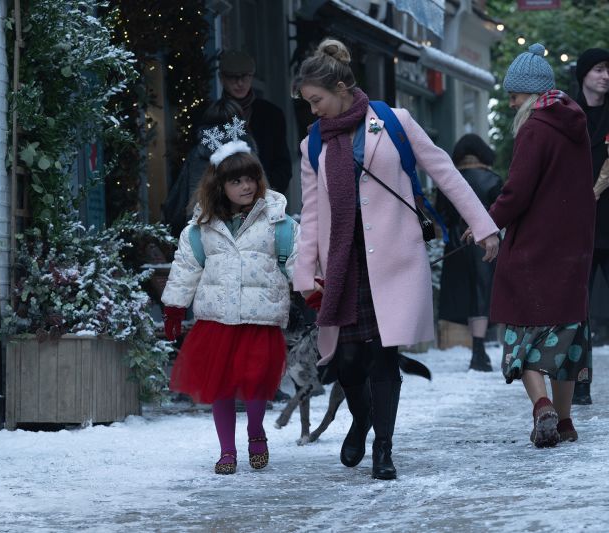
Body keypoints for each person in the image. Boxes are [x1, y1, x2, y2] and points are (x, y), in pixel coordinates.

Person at [293, 39, 499, 480]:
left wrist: (484, 225)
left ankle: (383, 449)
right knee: (346, 362)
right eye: (308, 102)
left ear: (342, 87)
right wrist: (304, 270)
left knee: (384, 358)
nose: (313, 110)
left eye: (317, 100)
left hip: (394, 260)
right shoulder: (313, 144)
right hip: (342, 265)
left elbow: (444, 171)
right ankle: (363, 419)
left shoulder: (393, 122)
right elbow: (311, 213)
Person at [160, 122, 299, 475]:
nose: (246, 186)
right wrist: (175, 307)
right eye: (236, 181)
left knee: (255, 384)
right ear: (219, 186)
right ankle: (226, 450)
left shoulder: (278, 222)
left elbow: (297, 260)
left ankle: (255, 433)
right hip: (217, 319)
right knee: (219, 386)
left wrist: (314, 295)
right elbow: (186, 267)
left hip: (259, 318)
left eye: (251, 178)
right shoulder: (200, 228)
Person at [487, 43, 595, 448]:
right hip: (573, 248)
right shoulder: (575, 123)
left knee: (523, 335)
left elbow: (517, 192)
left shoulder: (535, 126)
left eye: (513, 94)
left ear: (529, 93)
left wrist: (487, 221)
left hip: (534, 248)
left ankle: (542, 406)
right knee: (565, 340)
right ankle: (565, 422)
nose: (511, 100)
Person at [435, 134, 503, 372]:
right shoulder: (494, 180)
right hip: (487, 242)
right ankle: (479, 349)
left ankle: (477, 351)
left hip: (456, 244)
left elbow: (439, 216)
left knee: (464, 293)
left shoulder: (447, 180)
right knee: (482, 294)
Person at [572, 47, 609, 405]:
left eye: (608, 70)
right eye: (599, 69)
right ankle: (580, 381)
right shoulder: (569, 111)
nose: (605, 76)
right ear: (584, 73)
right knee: (576, 307)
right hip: (577, 221)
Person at [161, 99, 256, 236]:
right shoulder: (247, 152)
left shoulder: (198, 154)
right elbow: (262, 194)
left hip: (202, 233)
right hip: (248, 233)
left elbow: (183, 198)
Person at [219, 50, 292, 195]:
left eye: (245, 76)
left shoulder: (271, 114)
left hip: (264, 198)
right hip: (222, 203)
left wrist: (265, 191)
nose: (239, 83)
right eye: (233, 77)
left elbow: (282, 164)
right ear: (221, 78)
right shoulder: (210, 115)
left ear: (252, 77)